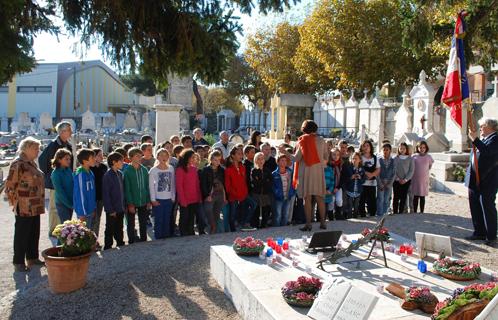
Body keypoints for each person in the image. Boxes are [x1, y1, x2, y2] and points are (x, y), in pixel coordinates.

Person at [5, 137, 45, 272]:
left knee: (34, 232)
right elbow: (10, 185)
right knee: (22, 234)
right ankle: (18, 262)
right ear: (26, 148)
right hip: (24, 205)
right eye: (35, 148)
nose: (37, 151)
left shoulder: (31, 163)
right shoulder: (18, 164)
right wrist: (14, 202)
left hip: (35, 204)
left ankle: (32, 257)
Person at [465, 117, 498, 247]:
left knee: (487, 206)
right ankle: (479, 231)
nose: (480, 128)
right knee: (475, 205)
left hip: (488, 179)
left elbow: (488, 152)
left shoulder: (495, 139)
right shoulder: (484, 139)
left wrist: (475, 139)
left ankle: (491, 235)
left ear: (491, 127)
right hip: (474, 178)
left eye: (482, 126)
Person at [37, 121, 73, 237]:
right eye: (69, 130)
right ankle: (54, 230)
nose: (71, 132)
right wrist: (50, 174)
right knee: (54, 207)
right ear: (62, 132)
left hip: (66, 180)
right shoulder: (53, 145)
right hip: (55, 180)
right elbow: (43, 160)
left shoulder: (68, 145)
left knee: (64, 205)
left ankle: (62, 228)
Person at [294, 120, 329, 231]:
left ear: (304, 129)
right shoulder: (322, 140)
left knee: (307, 198)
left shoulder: (303, 140)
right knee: (320, 198)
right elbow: (326, 157)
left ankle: (308, 224)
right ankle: (323, 223)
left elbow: (296, 158)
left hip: (307, 172)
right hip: (318, 171)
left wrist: (284, 152)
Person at [123, 147, 151, 243]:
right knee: (131, 223)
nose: (139, 158)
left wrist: (148, 200)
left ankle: (143, 239)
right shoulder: (127, 171)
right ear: (130, 158)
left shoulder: (144, 170)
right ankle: (131, 239)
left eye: (140, 156)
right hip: (132, 202)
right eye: (137, 156)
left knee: (143, 222)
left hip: (143, 200)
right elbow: (127, 189)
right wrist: (130, 203)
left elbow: (147, 186)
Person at [149, 148, 176, 239]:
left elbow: (172, 183)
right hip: (158, 199)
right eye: (161, 155)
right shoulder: (153, 170)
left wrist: (173, 197)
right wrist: (153, 199)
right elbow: (151, 186)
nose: (164, 157)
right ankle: (158, 237)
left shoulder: (171, 168)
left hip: (169, 199)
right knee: (159, 219)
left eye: (166, 155)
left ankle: (166, 237)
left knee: (167, 219)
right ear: (157, 157)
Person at [175, 149, 202, 236]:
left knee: (191, 217)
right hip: (185, 199)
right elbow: (179, 186)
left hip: (194, 198)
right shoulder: (180, 170)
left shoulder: (194, 169)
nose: (193, 159)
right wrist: (182, 200)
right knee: (184, 217)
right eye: (192, 157)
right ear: (186, 158)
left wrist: (199, 197)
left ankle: (191, 232)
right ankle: (183, 233)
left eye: (194, 157)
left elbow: (197, 184)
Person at [102, 152, 126, 249]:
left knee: (119, 227)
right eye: (121, 161)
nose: (123, 163)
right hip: (112, 208)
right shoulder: (107, 176)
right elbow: (106, 194)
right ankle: (108, 245)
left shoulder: (120, 174)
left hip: (120, 206)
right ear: (114, 162)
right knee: (110, 228)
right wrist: (110, 209)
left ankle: (120, 241)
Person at [199, 150, 225, 234]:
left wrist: (225, 196)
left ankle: (214, 230)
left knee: (217, 212)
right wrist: (207, 195)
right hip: (210, 194)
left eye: (219, 160)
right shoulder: (206, 170)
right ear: (211, 159)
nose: (217, 162)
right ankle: (212, 225)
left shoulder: (222, 169)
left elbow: (224, 184)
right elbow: (203, 184)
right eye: (215, 160)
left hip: (220, 194)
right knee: (208, 209)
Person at [224, 146, 250, 231]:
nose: (241, 156)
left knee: (243, 212)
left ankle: (241, 226)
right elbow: (228, 187)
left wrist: (244, 192)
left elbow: (244, 182)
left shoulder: (242, 167)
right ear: (232, 155)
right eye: (239, 154)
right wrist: (235, 194)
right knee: (232, 215)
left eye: (241, 154)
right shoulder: (228, 170)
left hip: (243, 195)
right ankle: (232, 231)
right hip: (233, 197)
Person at [73, 149, 97, 229]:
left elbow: (92, 192)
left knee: (89, 233)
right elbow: (80, 195)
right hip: (83, 211)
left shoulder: (90, 172)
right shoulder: (80, 174)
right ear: (85, 160)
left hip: (90, 209)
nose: (95, 159)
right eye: (92, 158)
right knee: (83, 235)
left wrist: (93, 207)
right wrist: (82, 213)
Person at [50, 148, 73, 224]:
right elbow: (60, 192)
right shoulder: (55, 174)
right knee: (66, 226)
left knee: (69, 225)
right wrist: (70, 205)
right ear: (59, 160)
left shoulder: (68, 170)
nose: (69, 161)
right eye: (66, 159)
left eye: (69, 159)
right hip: (62, 203)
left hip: (70, 201)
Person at [250, 152, 273, 228]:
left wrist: (262, 181)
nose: (261, 161)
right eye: (258, 159)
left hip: (266, 194)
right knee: (257, 210)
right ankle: (255, 225)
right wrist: (265, 181)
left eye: (262, 159)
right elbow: (255, 183)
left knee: (266, 210)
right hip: (257, 194)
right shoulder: (253, 171)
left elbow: (271, 181)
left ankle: (264, 224)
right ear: (255, 160)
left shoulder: (267, 170)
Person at [272, 154, 295, 227]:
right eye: (282, 160)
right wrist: (277, 193)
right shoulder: (274, 174)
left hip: (288, 196)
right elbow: (273, 186)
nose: (284, 162)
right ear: (277, 162)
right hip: (279, 198)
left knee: (286, 214)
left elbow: (293, 184)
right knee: (278, 214)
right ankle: (276, 229)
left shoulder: (290, 172)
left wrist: (292, 193)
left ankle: (284, 229)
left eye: (285, 160)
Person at [340, 152, 366, 219]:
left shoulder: (362, 169)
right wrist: (351, 177)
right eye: (353, 158)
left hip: (358, 191)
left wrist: (360, 178)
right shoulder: (349, 168)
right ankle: (349, 218)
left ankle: (355, 217)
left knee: (356, 205)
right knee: (350, 205)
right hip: (350, 190)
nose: (354, 160)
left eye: (356, 159)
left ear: (360, 160)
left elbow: (363, 180)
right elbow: (345, 179)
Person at [411, 141, 433, 213]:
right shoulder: (414, 156)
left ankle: (422, 211)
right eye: (420, 147)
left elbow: (429, 166)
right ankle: (414, 211)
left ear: (426, 148)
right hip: (415, 179)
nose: (422, 149)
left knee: (422, 196)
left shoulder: (428, 157)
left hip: (424, 179)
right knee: (416, 196)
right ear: (417, 148)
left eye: (424, 147)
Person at [359, 140, 380, 217]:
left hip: (372, 183)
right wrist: (365, 173)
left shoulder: (374, 158)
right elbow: (358, 166)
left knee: (372, 200)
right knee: (362, 200)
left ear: (371, 147)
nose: (366, 147)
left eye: (368, 146)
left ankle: (372, 214)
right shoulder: (360, 157)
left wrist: (372, 174)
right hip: (362, 183)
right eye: (364, 146)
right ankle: (362, 215)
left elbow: (378, 169)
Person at [90, 148, 108, 237]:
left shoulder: (104, 167)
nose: (102, 157)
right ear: (94, 157)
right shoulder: (89, 168)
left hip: (101, 197)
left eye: (102, 155)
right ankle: (90, 239)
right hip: (92, 197)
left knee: (98, 219)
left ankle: (95, 238)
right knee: (91, 219)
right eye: (99, 155)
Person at [392, 143, 414, 214]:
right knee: (396, 197)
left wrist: (405, 179)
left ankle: (401, 211)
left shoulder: (410, 159)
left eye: (404, 148)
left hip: (406, 181)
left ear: (406, 149)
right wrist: (397, 179)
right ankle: (395, 211)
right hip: (396, 181)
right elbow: (393, 170)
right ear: (398, 149)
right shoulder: (395, 158)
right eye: (400, 148)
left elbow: (411, 170)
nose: (402, 150)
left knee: (403, 197)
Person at [376, 143, 395, 216]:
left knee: (387, 199)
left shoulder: (393, 161)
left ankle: (385, 214)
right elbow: (377, 173)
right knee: (380, 199)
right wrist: (380, 183)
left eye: (387, 150)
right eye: (384, 150)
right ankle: (379, 213)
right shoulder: (379, 160)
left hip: (389, 183)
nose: (385, 151)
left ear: (390, 151)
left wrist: (390, 183)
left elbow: (394, 173)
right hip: (380, 182)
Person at [329, 148, 344, 220]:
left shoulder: (341, 165)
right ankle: (330, 217)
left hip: (338, 186)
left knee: (339, 200)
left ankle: (338, 215)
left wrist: (337, 187)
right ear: (330, 155)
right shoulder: (328, 164)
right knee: (331, 201)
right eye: (334, 154)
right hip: (329, 187)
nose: (336, 156)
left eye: (338, 155)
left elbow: (342, 178)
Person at [324, 151, 336, 221]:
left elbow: (332, 180)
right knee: (321, 209)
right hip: (321, 192)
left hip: (329, 191)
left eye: (325, 158)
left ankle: (331, 221)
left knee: (330, 207)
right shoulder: (319, 169)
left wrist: (330, 189)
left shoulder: (330, 169)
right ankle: (321, 220)